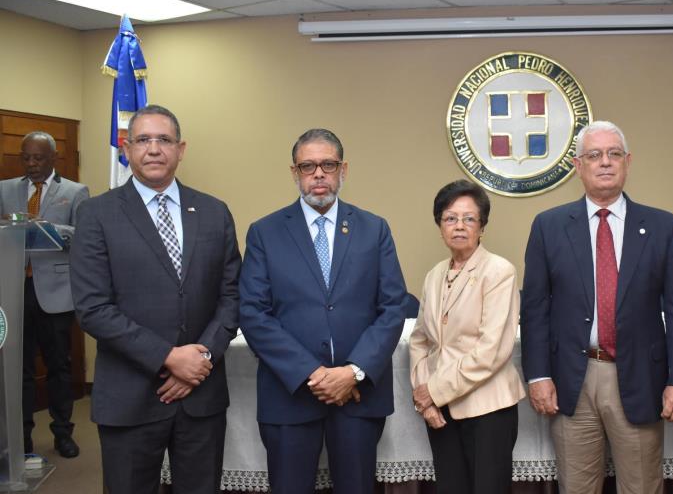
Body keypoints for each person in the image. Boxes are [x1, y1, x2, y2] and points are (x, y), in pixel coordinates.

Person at [520, 120, 673, 494]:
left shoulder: (664, 227)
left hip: (639, 377)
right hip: (573, 377)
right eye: (594, 155)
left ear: (627, 162)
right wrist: (538, 376)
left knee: (641, 487)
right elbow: (535, 309)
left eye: (613, 154)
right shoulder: (548, 227)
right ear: (578, 165)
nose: (605, 162)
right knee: (578, 488)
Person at [70, 105, 241, 494]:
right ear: (126, 149)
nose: (153, 149)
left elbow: (231, 294)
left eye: (163, 140)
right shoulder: (96, 214)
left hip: (201, 395)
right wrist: (169, 358)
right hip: (130, 396)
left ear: (180, 149)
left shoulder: (214, 212)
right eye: (142, 140)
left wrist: (201, 359)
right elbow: (93, 308)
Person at [239, 128, 407, 494]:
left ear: (343, 170)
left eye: (327, 165)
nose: (318, 174)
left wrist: (353, 371)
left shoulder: (374, 229)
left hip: (357, 395)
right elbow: (253, 312)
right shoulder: (265, 233)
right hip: (291, 395)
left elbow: (393, 306)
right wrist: (312, 374)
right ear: (294, 173)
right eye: (308, 166)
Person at [409, 179, 525, 494]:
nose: (459, 226)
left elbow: (492, 351)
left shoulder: (499, 271)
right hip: (440, 411)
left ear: (481, 226)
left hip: (488, 410)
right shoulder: (434, 275)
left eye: (469, 219)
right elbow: (420, 341)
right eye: (450, 218)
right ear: (440, 225)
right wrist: (426, 401)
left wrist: (433, 390)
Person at [0, 131, 89, 458]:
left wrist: (46, 227)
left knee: (59, 367)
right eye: (26, 157)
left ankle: (63, 433)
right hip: (13, 289)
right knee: (16, 369)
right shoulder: (5, 189)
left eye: (39, 158)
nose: (32, 164)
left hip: (55, 293)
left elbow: (83, 236)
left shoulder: (75, 192)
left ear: (53, 158)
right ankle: (20, 437)